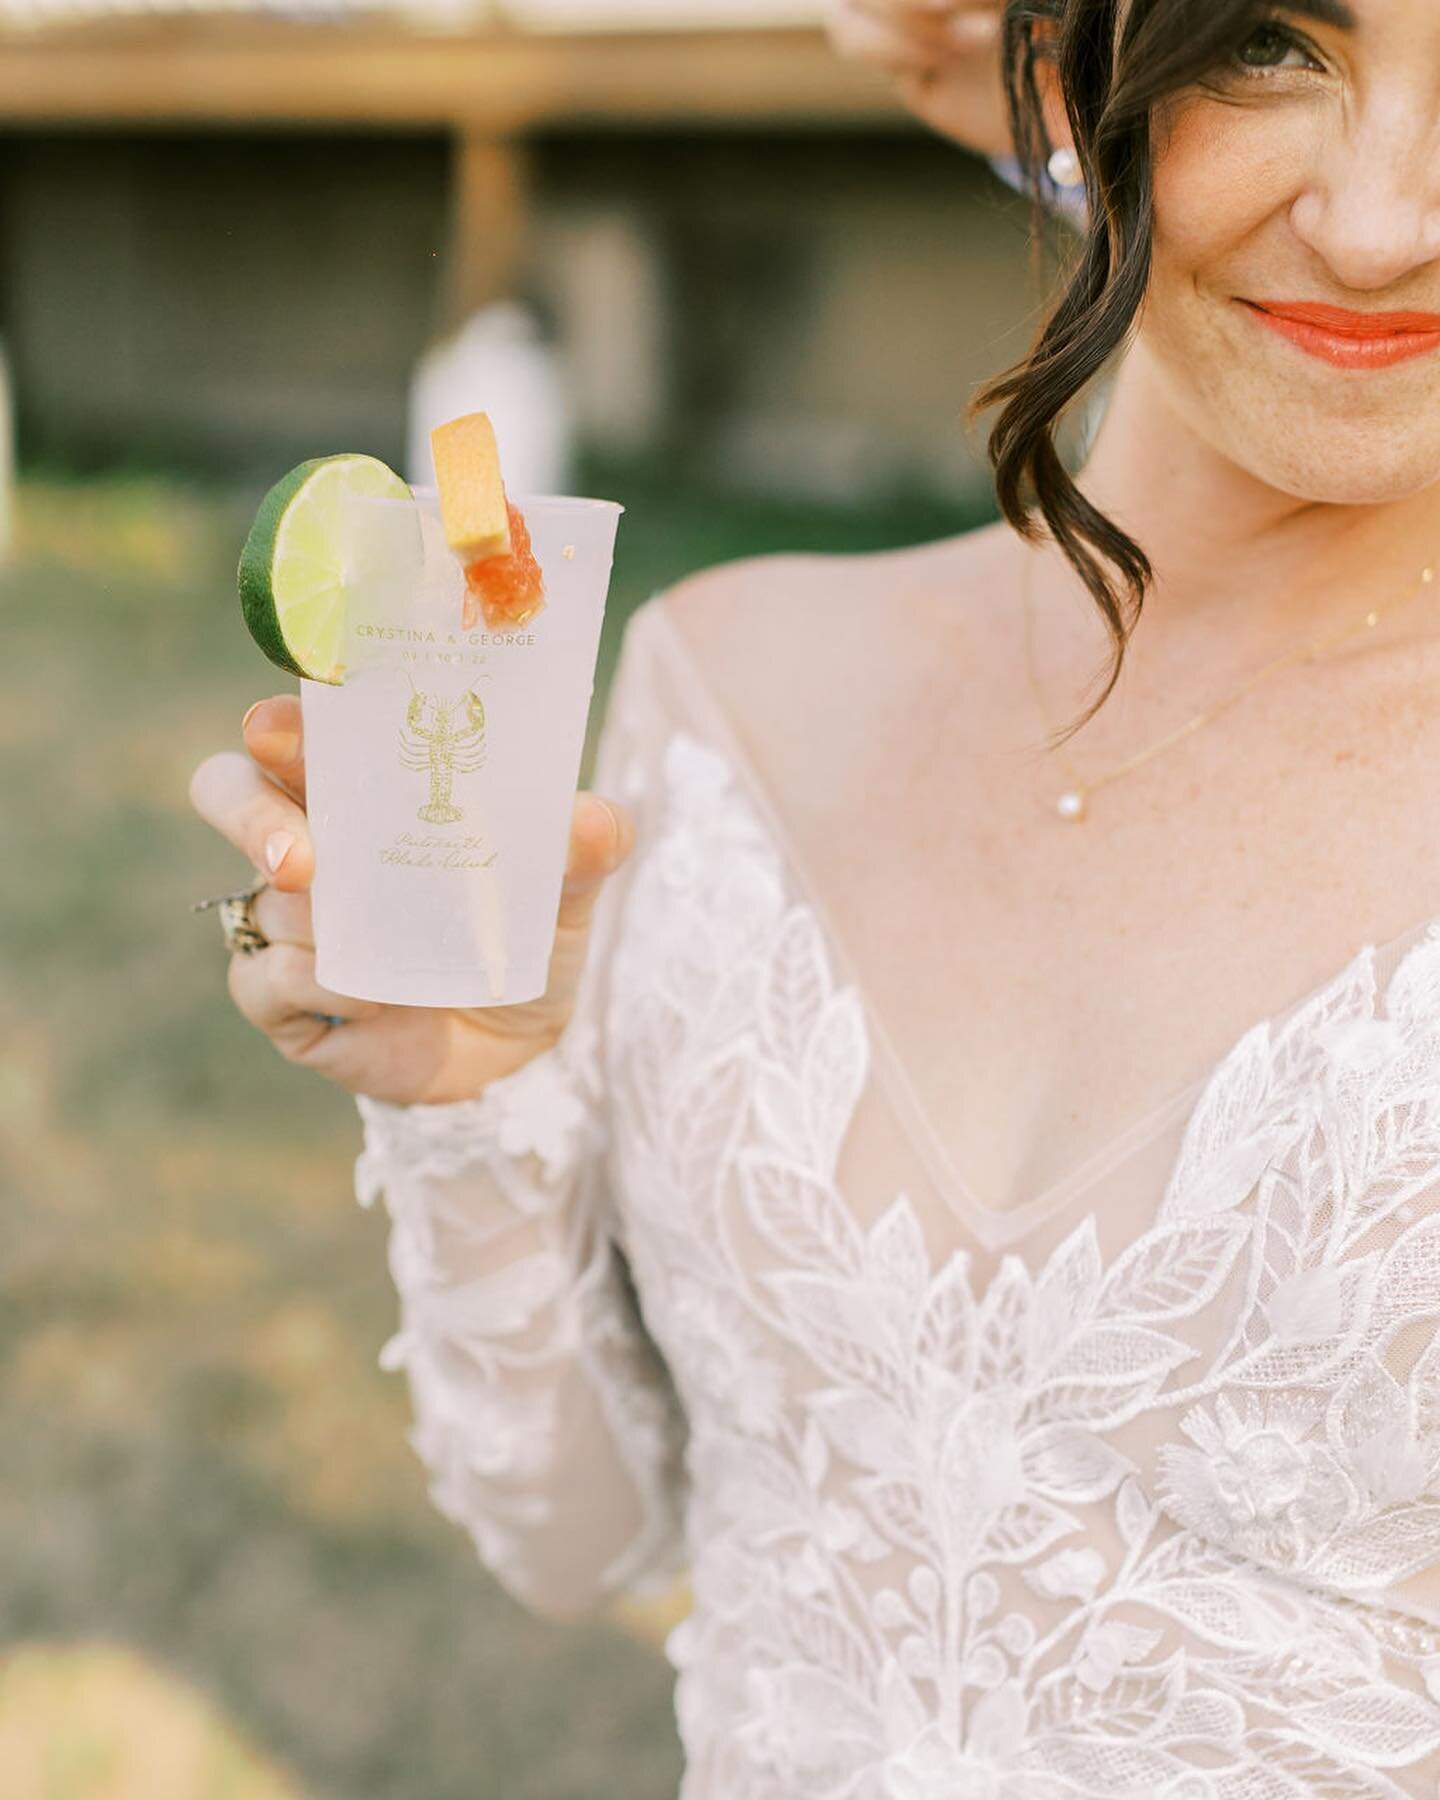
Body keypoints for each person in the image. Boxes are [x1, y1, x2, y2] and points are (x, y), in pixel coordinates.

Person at [188, 0, 1440, 1790]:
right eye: (1266, 39)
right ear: (1083, 71)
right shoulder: (729, 686)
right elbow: (583, 1540)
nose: (1387, 219)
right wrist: (473, 1100)